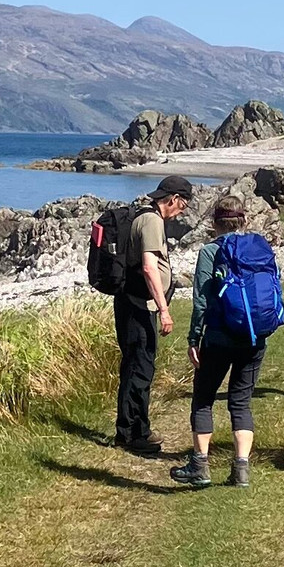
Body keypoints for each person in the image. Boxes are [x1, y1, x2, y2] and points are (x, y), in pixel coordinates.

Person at [170, 195, 269, 488]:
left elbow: (201, 299)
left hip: (217, 338)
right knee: (241, 403)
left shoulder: (210, 251)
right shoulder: (257, 249)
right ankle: (241, 470)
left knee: (203, 399)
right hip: (253, 337)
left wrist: (193, 338)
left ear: (214, 224)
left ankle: (200, 467)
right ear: (245, 221)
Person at [114, 175, 193, 454]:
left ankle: (128, 430)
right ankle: (136, 434)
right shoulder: (152, 221)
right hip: (139, 304)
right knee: (140, 368)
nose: (181, 211)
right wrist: (165, 309)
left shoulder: (146, 217)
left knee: (135, 365)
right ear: (172, 199)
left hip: (131, 302)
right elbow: (149, 267)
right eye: (182, 205)